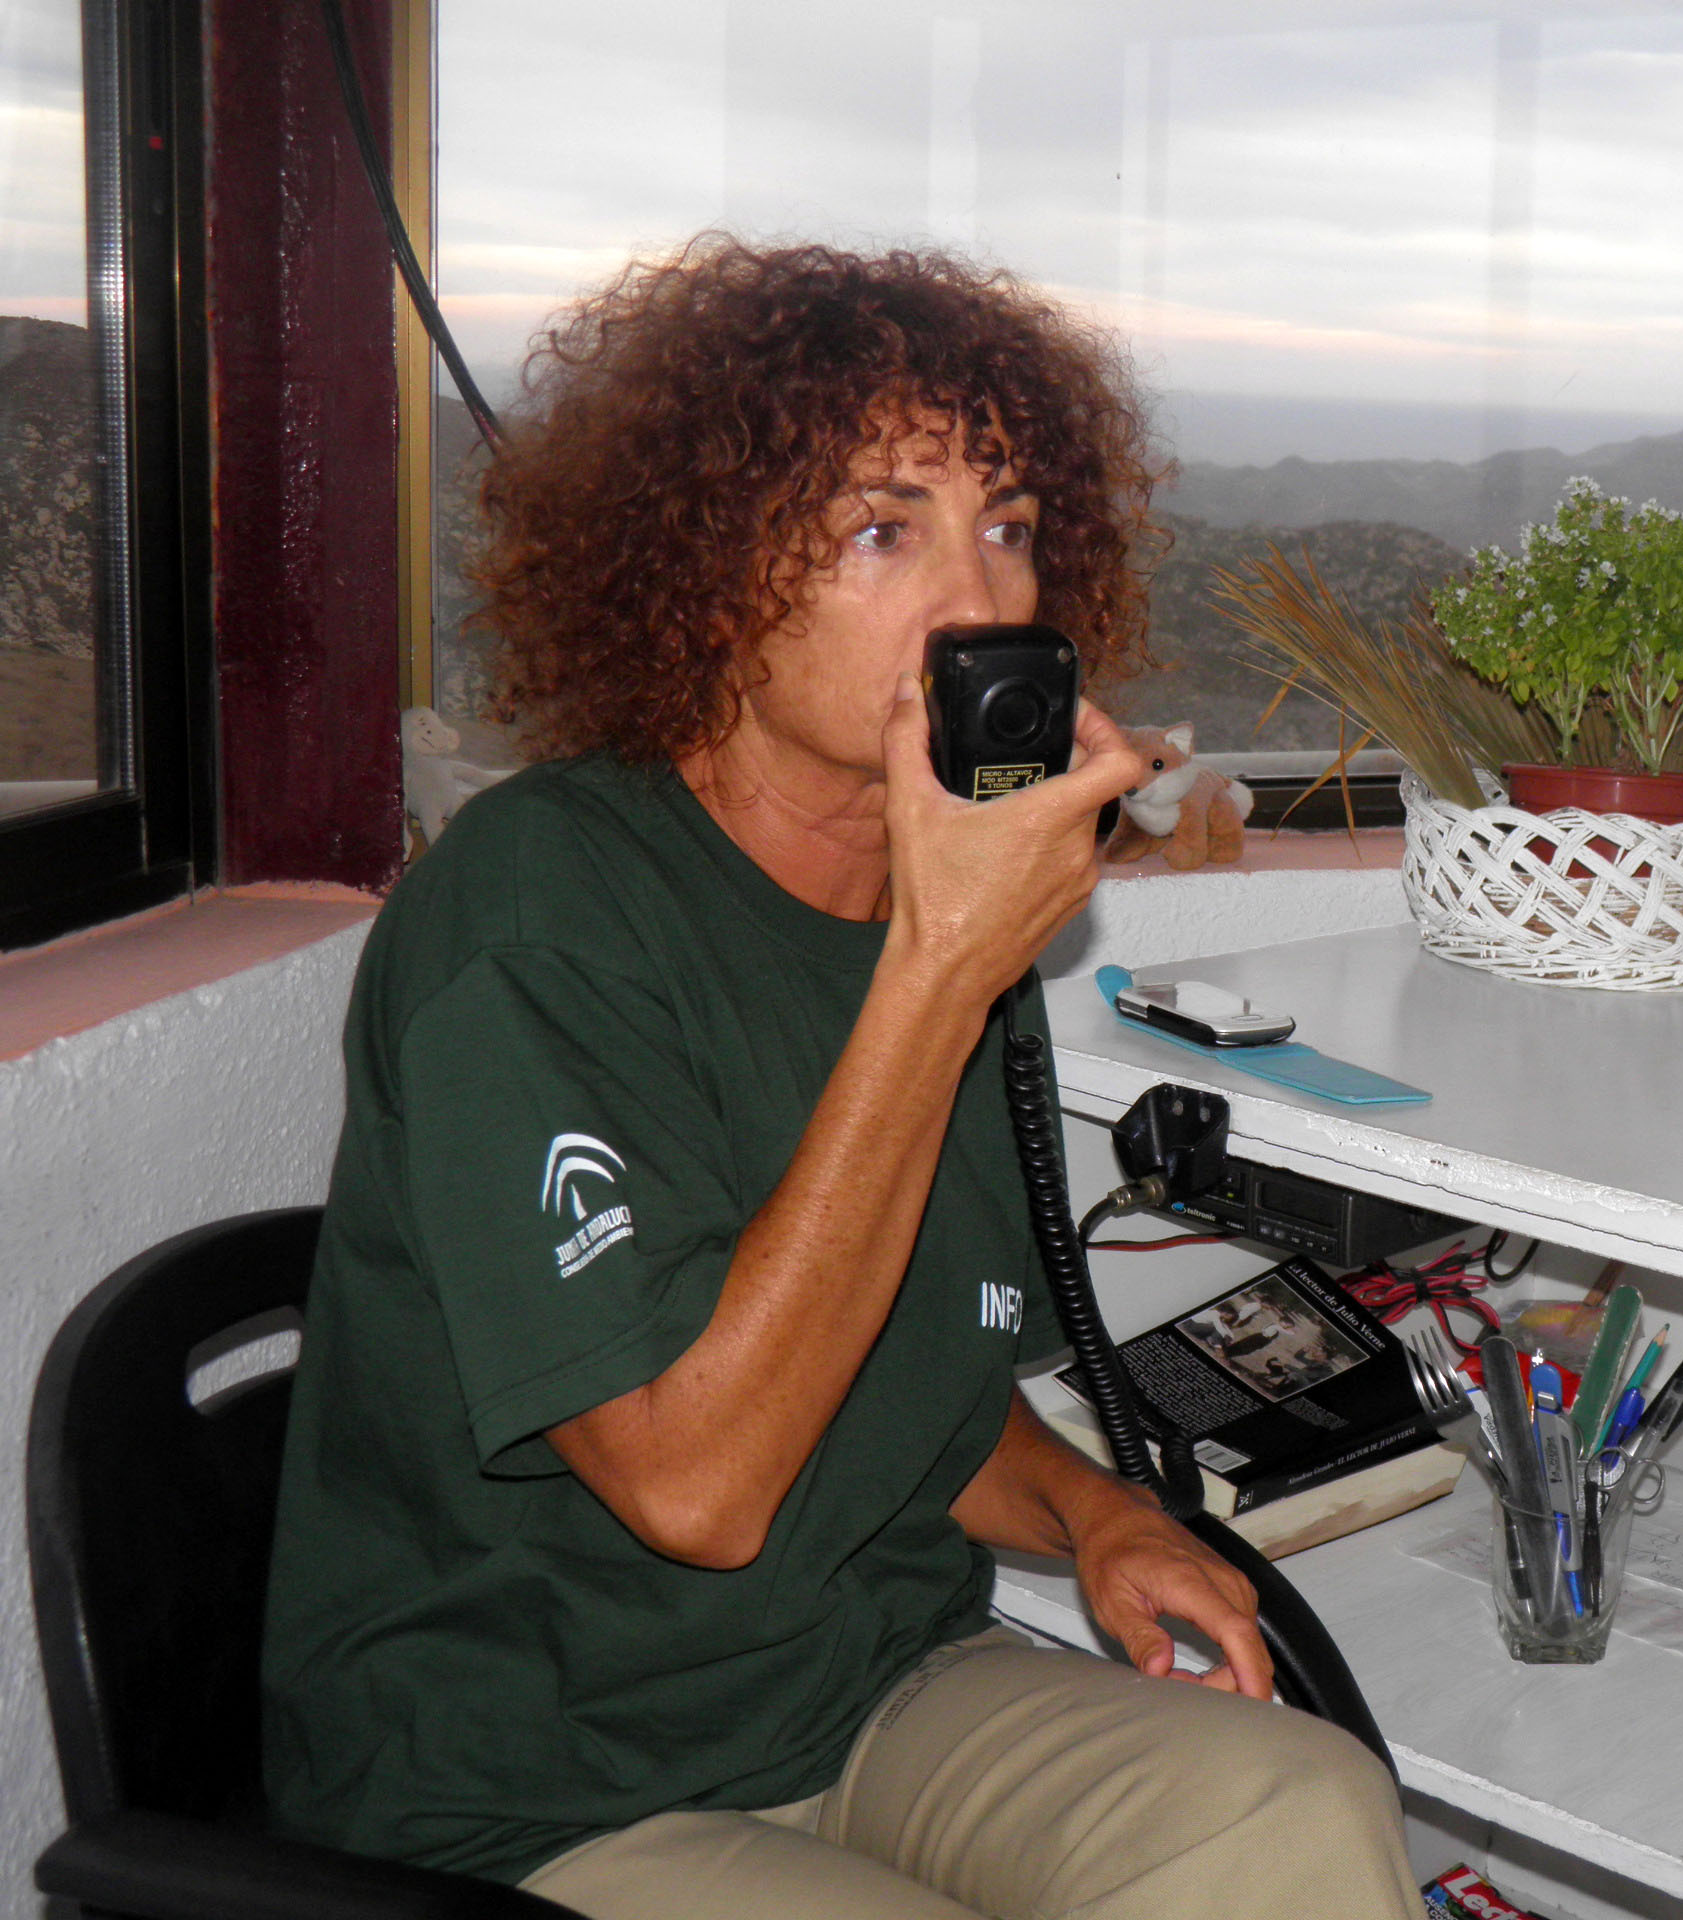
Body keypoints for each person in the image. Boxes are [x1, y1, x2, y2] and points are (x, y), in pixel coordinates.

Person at [260, 237, 1420, 1920]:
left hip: (865, 1692)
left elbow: (905, 1385)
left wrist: (1096, 1515)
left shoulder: (937, 890)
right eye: (887, 529)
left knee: (1300, 1812)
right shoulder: (538, 923)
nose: (982, 603)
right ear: (706, 575)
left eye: (1007, 526)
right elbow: (698, 1485)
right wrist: (941, 974)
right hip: (531, 1789)